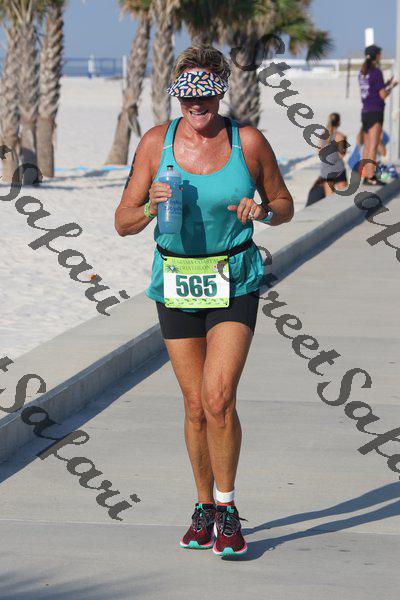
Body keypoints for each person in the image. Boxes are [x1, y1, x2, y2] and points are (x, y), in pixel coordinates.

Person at [115, 45, 293, 557]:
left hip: (233, 278)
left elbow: (284, 204)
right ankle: (203, 507)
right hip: (176, 280)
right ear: (177, 96)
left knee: (218, 399)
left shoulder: (247, 142)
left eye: (207, 94)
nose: (197, 105)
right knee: (194, 406)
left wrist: (262, 210)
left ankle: (229, 508)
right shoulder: (157, 143)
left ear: (221, 91)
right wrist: (151, 207)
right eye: (188, 96)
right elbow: (122, 222)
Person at [358, 44, 398, 185]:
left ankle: (365, 175)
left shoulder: (363, 71)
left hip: (365, 112)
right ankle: (371, 177)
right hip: (375, 112)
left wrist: (385, 83)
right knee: (373, 146)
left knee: (367, 145)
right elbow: (382, 95)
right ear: (377, 56)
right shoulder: (376, 72)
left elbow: (373, 88)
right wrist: (391, 87)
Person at [317, 112, 348, 198]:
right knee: (344, 196)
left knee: (329, 198)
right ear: (339, 122)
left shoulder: (322, 135)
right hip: (338, 169)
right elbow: (342, 154)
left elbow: (319, 152)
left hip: (325, 170)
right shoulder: (340, 136)